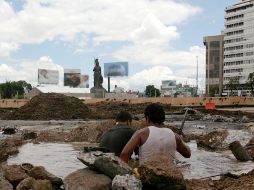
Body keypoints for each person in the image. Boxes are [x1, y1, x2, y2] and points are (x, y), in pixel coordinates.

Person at [120, 103, 191, 164]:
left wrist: (126, 174)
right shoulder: (174, 136)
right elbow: (188, 154)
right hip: (170, 177)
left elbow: (124, 154)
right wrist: (181, 140)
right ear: (163, 118)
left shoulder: (141, 133)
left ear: (147, 118)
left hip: (148, 176)